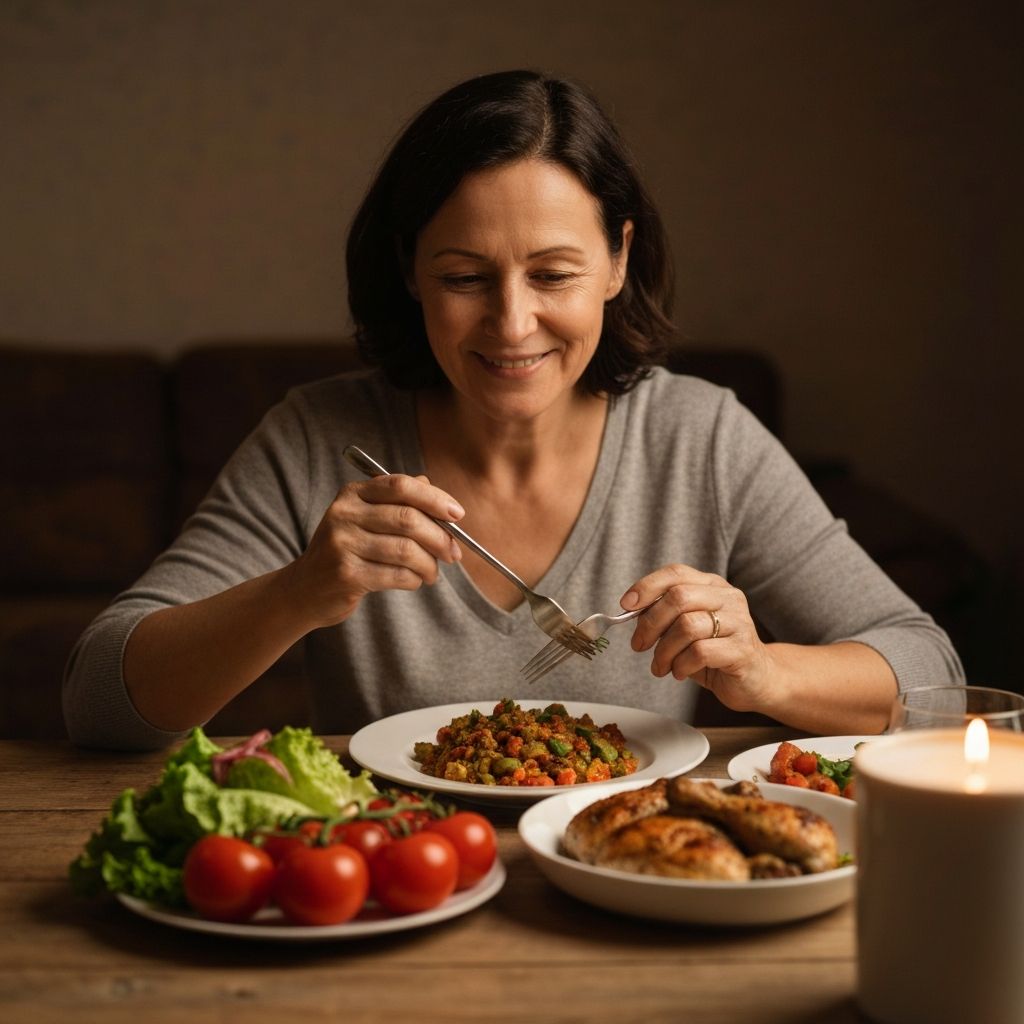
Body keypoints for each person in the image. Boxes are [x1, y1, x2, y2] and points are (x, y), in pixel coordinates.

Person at [63, 70, 963, 750]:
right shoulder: (317, 438)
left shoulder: (700, 437)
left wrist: (766, 673)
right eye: (465, 278)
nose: (513, 323)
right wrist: (299, 592)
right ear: (410, 270)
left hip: (626, 878)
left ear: (618, 261)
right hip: (400, 886)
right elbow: (98, 699)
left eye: (553, 274)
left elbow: (935, 680)